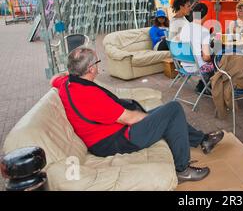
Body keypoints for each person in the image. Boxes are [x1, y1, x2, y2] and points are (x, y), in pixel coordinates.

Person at [50, 47, 224, 182]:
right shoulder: (88, 95)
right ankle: (182, 170)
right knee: (173, 109)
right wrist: (153, 121)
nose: (98, 65)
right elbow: (130, 118)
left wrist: (154, 119)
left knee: (167, 115)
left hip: (110, 132)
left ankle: (203, 140)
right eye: (96, 62)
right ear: (90, 70)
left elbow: (54, 79)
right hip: (114, 140)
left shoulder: (67, 82)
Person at [179, 2, 215, 94]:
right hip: (197, 67)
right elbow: (206, 58)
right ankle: (207, 87)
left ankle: (202, 84)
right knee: (219, 60)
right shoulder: (204, 31)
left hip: (184, 64)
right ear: (205, 15)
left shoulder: (185, 27)